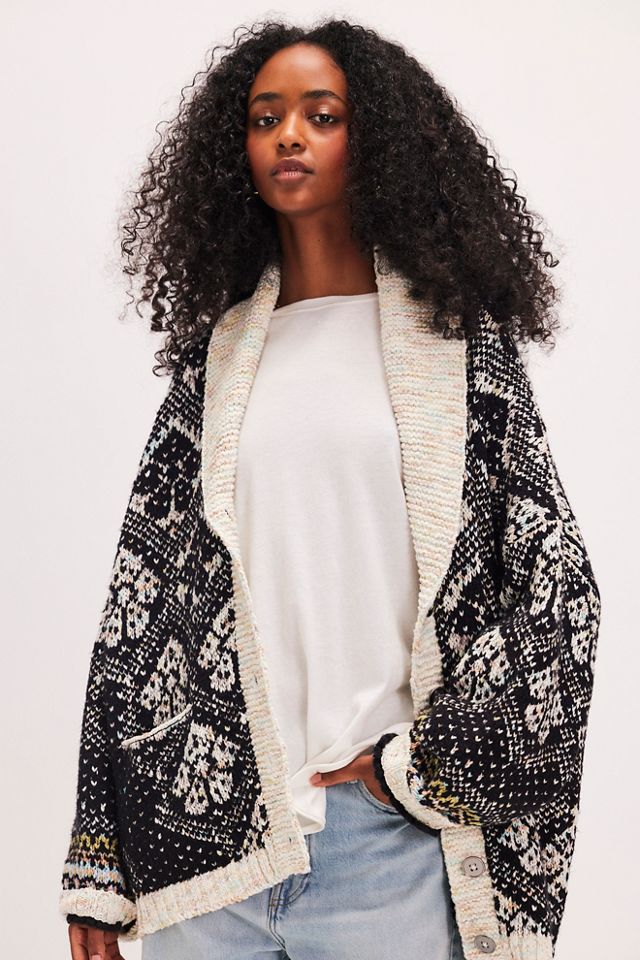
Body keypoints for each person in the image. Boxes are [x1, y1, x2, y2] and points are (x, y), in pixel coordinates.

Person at [61, 17, 601, 960]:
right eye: (265, 117)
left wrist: (419, 773)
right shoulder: (218, 364)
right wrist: (99, 874)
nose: (290, 136)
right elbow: (136, 624)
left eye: (322, 114)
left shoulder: (458, 353)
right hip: (208, 863)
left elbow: (562, 596)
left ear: (377, 140)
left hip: (385, 848)